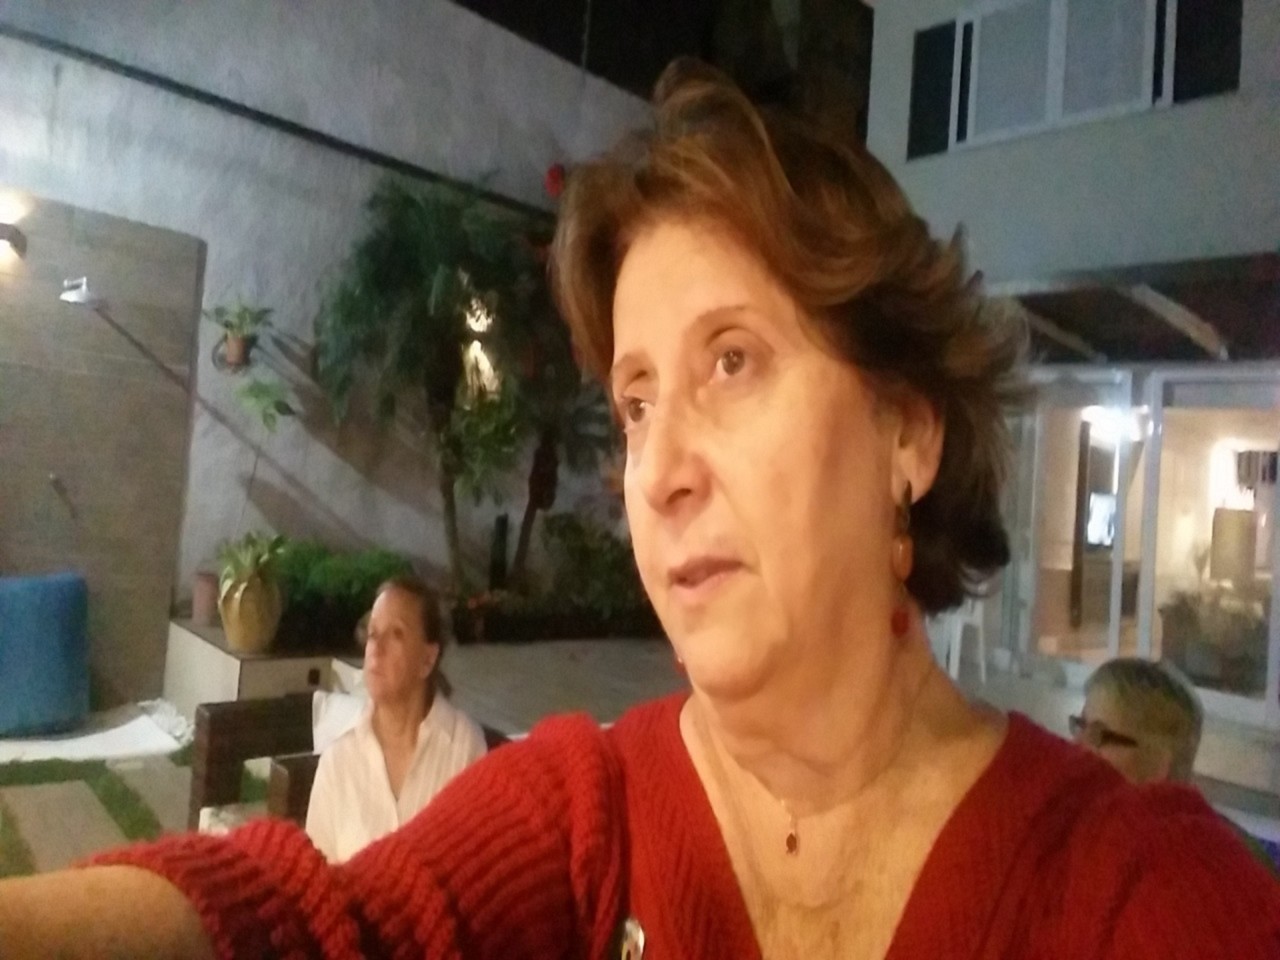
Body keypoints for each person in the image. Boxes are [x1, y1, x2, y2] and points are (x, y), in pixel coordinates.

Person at [1, 60, 1279, 959]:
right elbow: (327, 928)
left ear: (906, 432)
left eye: (731, 361)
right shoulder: (586, 817)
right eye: (635, 402)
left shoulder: (1132, 891)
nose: (658, 469)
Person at [305, 576, 487, 863]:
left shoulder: (463, 748)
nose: (377, 648)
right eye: (373, 633)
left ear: (427, 660)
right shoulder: (338, 762)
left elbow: (478, 868)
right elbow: (316, 878)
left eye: (396, 634)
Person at [1073, 656, 1280, 876]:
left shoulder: (1216, 869)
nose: (1077, 746)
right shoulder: (1087, 834)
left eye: (1100, 736)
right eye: (1080, 726)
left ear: (1157, 764)